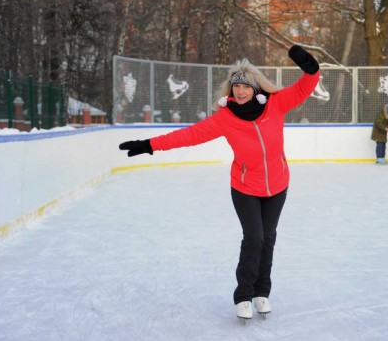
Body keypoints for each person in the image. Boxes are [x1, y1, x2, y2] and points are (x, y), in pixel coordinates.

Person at [118, 45, 320, 320]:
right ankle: (244, 295)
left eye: (245, 87)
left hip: (277, 186)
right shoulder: (226, 118)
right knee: (254, 238)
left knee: (268, 239)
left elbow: (305, 87)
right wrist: (149, 144)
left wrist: (309, 65)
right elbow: (188, 136)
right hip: (245, 187)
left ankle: (262, 292)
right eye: (236, 87)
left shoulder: (276, 104)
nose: (240, 91)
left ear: (256, 88)